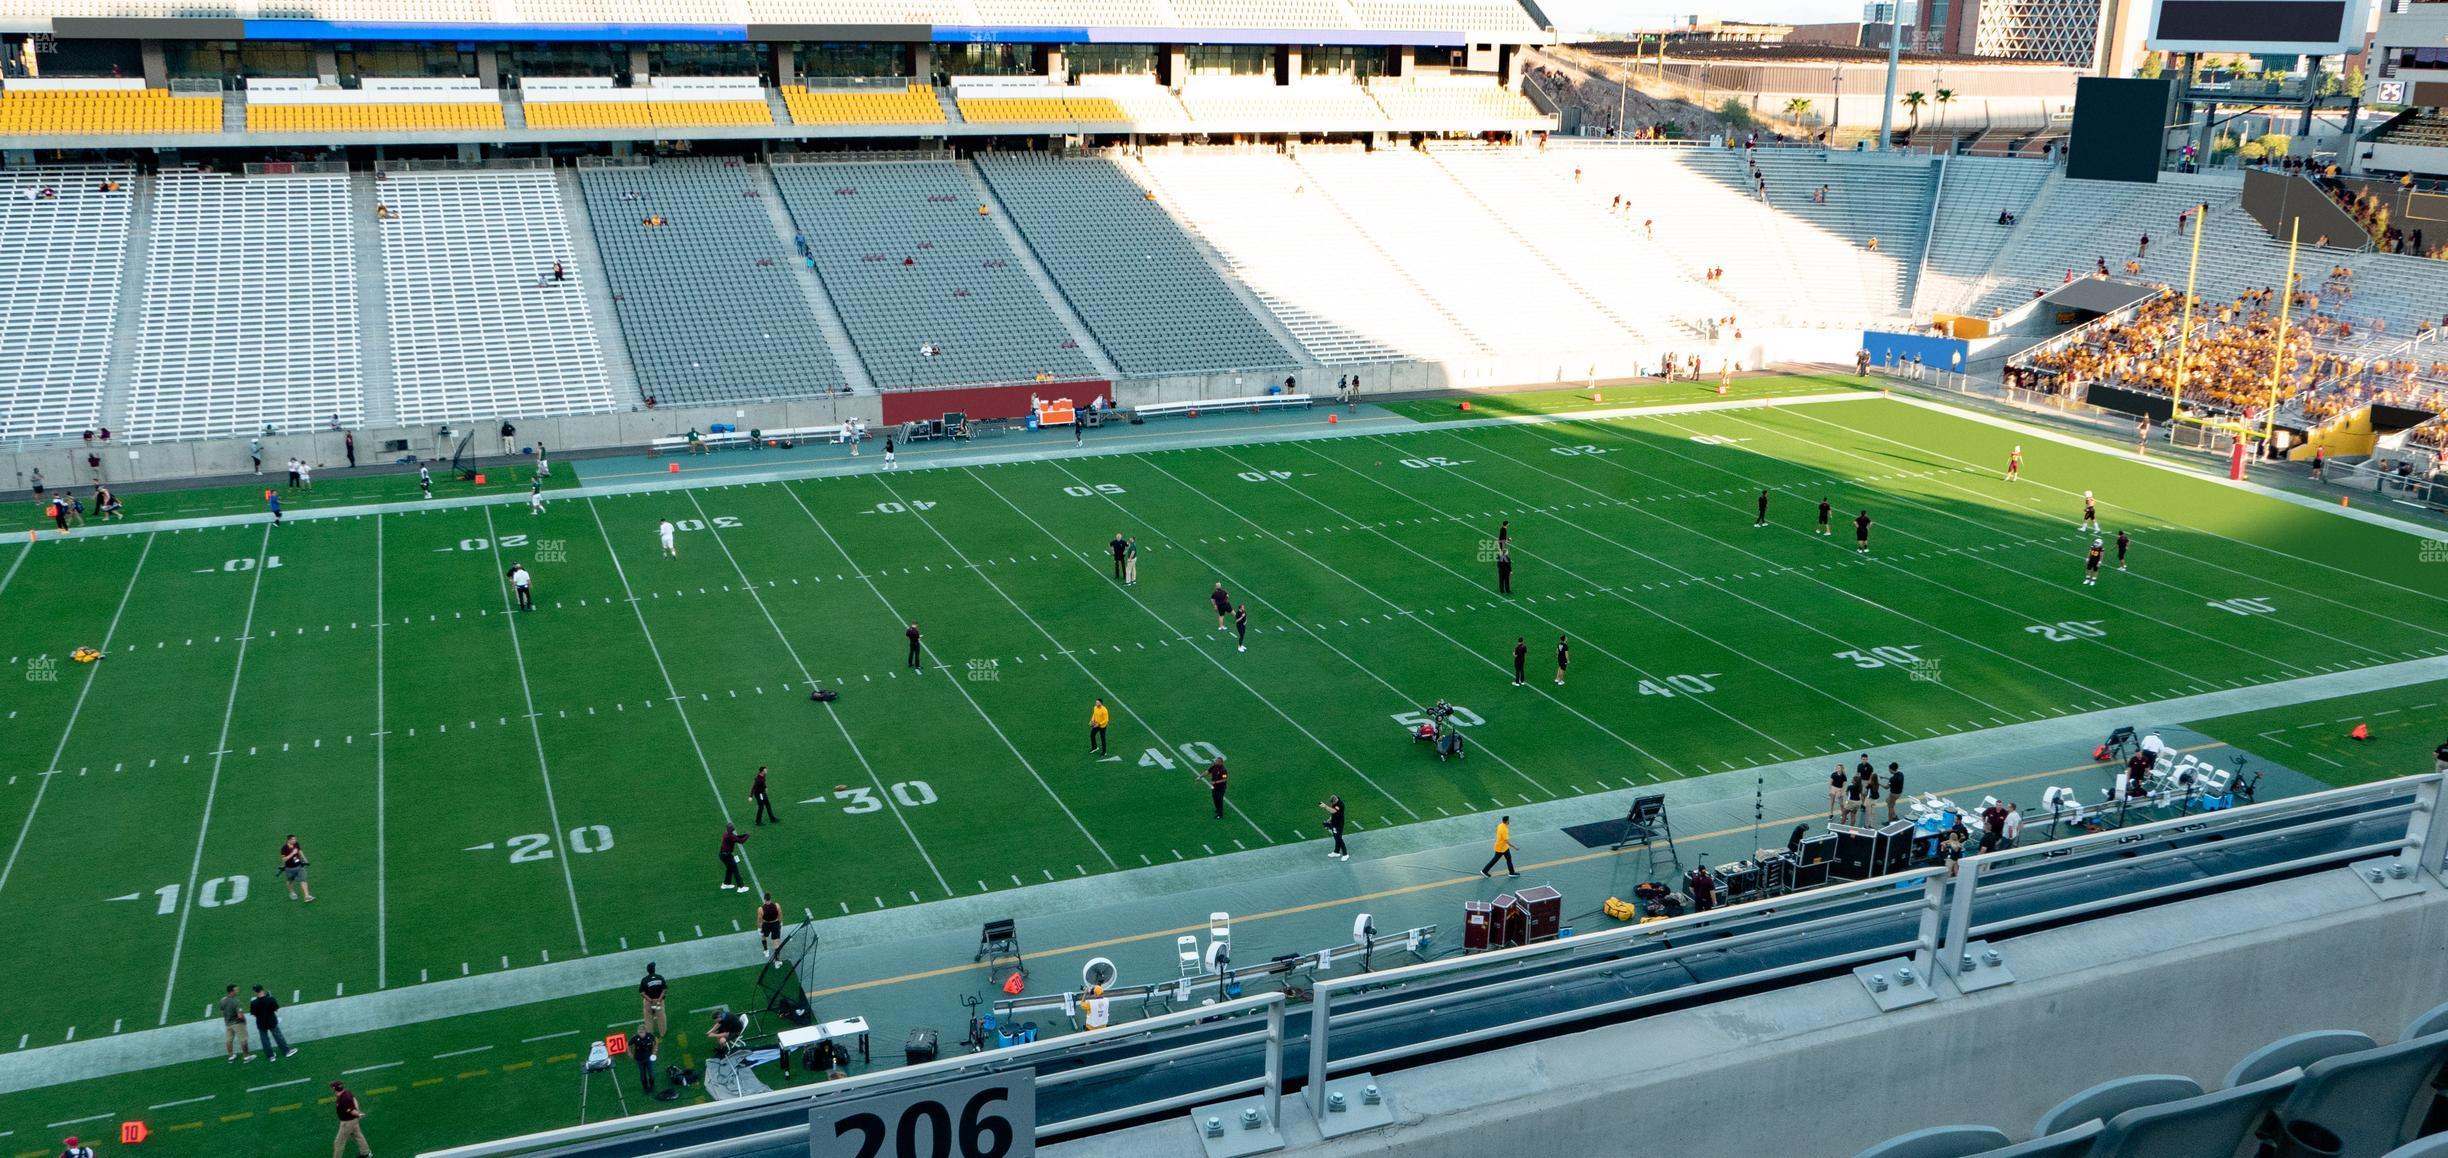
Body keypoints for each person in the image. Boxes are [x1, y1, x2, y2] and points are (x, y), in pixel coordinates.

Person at [250, 985, 295, 1058]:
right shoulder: (270, 999)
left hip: (261, 1023)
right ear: (262, 990)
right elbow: (276, 1010)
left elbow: (254, 1015)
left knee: (264, 1040)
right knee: (278, 1037)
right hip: (272, 1021)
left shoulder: (254, 1003)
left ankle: (270, 1056)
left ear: (255, 992)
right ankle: (286, 1051)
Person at [331, 1080, 371, 1158]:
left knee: (338, 1143)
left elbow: (351, 1111)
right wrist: (358, 1112)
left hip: (347, 1123)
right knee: (358, 1135)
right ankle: (366, 1153)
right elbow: (354, 1099)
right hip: (353, 1120)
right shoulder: (347, 1092)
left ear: (334, 1089)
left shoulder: (343, 1099)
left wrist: (358, 1114)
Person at [222, 984, 254, 1062]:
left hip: (228, 1024)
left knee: (229, 1040)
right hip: (238, 1024)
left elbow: (222, 1010)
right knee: (243, 1040)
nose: (237, 991)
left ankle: (231, 1056)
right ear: (231, 992)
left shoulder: (222, 1000)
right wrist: (244, 1020)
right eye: (236, 990)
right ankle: (246, 1057)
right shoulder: (236, 1002)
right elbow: (240, 1015)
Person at [639, 963, 669, 1043]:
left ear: (647, 970)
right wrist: (659, 999)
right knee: (661, 1017)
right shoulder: (660, 977)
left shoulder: (644, 979)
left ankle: (650, 1033)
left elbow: (642, 993)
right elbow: (664, 989)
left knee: (648, 1018)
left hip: (649, 1002)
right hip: (659, 1002)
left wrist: (650, 1000)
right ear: (654, 969)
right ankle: (663, 1032)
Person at [718, 822, 751, 892]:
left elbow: (736, 837)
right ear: (731, 829)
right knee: (735, 870)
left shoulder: (726, 834)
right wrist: (747, 836)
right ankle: (741, 887)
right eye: (733, 827)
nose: (734, 827)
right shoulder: (730, 836)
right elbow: (741, 841)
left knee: (729, 868)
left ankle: (726, 884)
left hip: (723, 855)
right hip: (727, 856)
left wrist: (744, 835)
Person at [280, 835, 314, 902]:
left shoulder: (296, 844)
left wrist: (304, 858)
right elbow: (284, 859)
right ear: (288, 840)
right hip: (289, 868)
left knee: (303, 880)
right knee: (290, 881)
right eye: (293, 839)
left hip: (299, 866)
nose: (295, 841)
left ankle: (307, 896)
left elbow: (299, 850)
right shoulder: (284, 849)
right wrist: (293, 853)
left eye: (295, 839)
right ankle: (291, 892)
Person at [757, 892, 786, 966]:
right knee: (776, 943)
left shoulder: (760, 909)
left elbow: (760, 920)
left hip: (766, 924)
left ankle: (766, 950)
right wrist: (781, 922)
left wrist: (759, 928)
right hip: (775, 924)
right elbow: (780, 914)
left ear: (764, 899)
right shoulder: (777, 905)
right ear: (770, 899)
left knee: (763, 936)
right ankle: (777, 961)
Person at [1320, 795, 1348, 860]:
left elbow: (1333, 811)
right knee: (1336, 837)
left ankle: (1345, 854)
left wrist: (1325, 806)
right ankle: (1336, 852)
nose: (1332, 804)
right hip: (1334, 822)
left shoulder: (1339, 805)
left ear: (1335, 800)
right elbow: (1333, 814)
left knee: (1338, 838)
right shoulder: (1335, 801)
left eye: (1333, 803)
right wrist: (1329, 820)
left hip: (1339, 824)